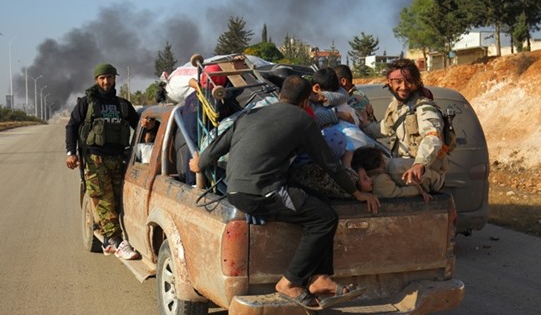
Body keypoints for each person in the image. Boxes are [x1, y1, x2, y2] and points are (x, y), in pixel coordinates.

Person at [189, 76, 377, 310]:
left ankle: (321, 278)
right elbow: (329, 164)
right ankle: (290, 282)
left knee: (319, 203)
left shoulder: (250, 115)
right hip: (262, 193)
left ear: (281, 95)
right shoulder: (303, 119)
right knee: (324, 218)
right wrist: (356, 192)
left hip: (236, 191)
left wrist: (198, 164)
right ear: (305, 100)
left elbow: (214, 150)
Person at [65, 63, 151, 260]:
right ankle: (115, 241)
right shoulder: (86, 103)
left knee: (118, 200)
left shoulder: (122, 105)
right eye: (102, 78)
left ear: (115, 79)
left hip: (118, 159)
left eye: (110, 77)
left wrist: (146, 125)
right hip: (95, 159)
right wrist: (71, 152)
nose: (106, 81)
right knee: (104, 199)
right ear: (96, 80)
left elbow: (137, 124)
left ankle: (108, 240)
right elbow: (71, 127)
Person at [370, 58, 448, 192]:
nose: (404, 87)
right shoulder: (396, 106)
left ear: (417, 83)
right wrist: (359, 126)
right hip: (405, 166)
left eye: (409, 82)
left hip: (426, 172)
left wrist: (419, 164)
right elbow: (384, 128)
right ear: (389, 83)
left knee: (394, 167)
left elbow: (432, 137)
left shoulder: (424, 107)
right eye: (398, 82)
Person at [351, 146, 433, 202]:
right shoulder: (380, 181)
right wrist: (420, 190)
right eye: (365, 178)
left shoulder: (391, 171)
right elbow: (402, 192)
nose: (370, 180)